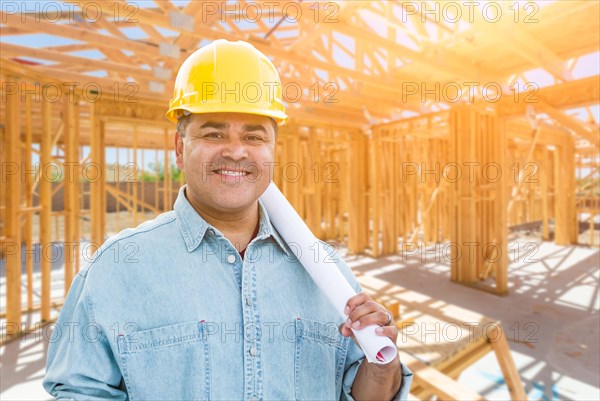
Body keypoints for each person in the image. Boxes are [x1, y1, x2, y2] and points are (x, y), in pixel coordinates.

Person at [43, 39, 413, 400]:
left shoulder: (325, 270)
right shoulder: (118, 269)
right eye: (214, 132)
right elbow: (78, 391)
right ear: (178, 147)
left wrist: (382, 368)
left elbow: (365, 394)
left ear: (271, 151)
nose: (236, 151)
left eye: (254, 136)